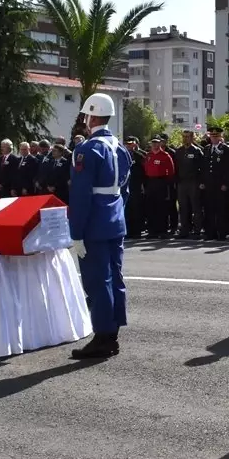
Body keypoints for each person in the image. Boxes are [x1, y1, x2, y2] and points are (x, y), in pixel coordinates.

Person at [68, 93, 132, 360]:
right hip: (115, 220)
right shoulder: (121, 147)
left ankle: (103, 336)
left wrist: (76, 233)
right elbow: (124, 190)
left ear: (90, 117)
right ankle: (113, 332)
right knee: (115, 278)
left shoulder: (86, 150)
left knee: (97, 281)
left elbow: (81, 195)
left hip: (94, 222)